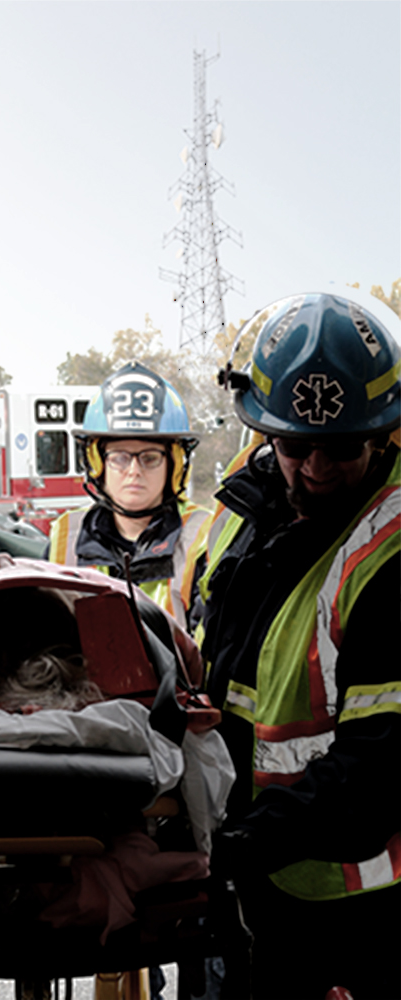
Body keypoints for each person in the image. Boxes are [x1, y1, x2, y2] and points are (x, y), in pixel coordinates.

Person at [201, 293, 401, 999]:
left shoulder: (392, 554)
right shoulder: (241, 512)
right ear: (263, 431)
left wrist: (237, 847)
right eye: (294, 445)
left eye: (344, 447)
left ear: (385, 434)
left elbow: (382, 767)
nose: (316, 468)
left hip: (358, 916)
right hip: (252, 883)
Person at [49, 361, 210, 632]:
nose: (134, 471)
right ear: (97, 463)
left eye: (150, 458)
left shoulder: (203, 538)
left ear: (174, 465)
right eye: (120, 458)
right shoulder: (65, 537)